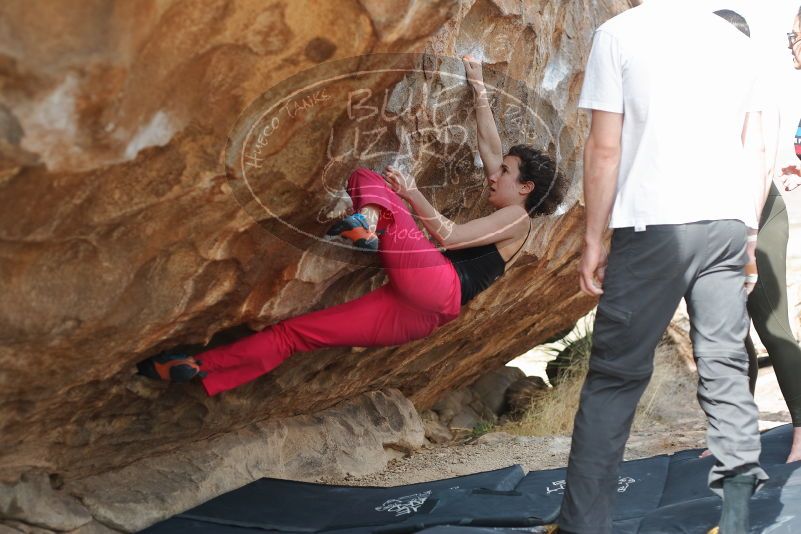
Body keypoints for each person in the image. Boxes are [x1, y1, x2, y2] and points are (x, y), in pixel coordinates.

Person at [137, 56, 567, 396]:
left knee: (370, 179)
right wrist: (477, 86)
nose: (495, 175)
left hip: (436, 284)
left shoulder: (517, 218)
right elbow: (490, 146)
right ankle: (198, 368)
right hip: (421, 317)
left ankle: (370, 221)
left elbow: (449, 236)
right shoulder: (513, 203)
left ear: (525, 187)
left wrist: (412, 192)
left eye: (506, 172)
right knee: (294, 335)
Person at [557, 3, 770, 534]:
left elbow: (604, 149)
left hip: (653, 224)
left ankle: (585, 526)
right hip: (725, 221)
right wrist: (748, 233)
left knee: (614, 378)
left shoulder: (619, 33)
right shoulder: (739, 42)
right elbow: (756, 147)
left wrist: (592, 238)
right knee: (724, 373)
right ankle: (739, 521)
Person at [710, 8, 801, 465]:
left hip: (758, 217)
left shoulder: (756, 86)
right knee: (726, 333)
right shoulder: (700, 90)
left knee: (771, 323)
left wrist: (746, 232)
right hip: (716, 220)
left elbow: (760, 163)